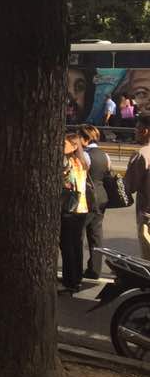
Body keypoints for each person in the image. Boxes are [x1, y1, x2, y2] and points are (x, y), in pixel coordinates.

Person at [59, 131, 90, 293]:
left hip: (69, 207)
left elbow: (66, 183)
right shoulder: (82, 161)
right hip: (82, 206)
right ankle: (77, 278)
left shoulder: (67, 162)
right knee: (76, 244)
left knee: (67, 245)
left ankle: (69, 280)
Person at [80, 125, 110, 280]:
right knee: (96, 234)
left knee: (77, 234)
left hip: (87, 198)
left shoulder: (85, 155)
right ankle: (95, 270)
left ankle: (75, 271)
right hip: (102, 197)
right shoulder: (105, 155)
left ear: (85, 137)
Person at [126, 114, 150, 259]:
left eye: (137, 128)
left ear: (145, 131)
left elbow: (129, 186)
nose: (135, 131)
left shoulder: (142, 154)